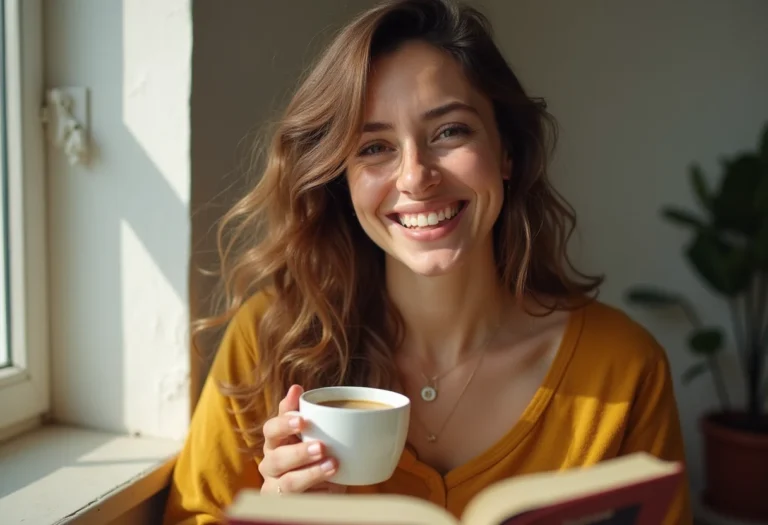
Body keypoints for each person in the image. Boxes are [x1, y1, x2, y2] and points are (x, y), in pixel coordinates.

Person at [163, 0, 692, 523]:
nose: (416, 177)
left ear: (506, 151)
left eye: (449, 131)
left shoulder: (624, 369)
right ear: (340, 179)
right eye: (373, 147)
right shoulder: (267, 340)